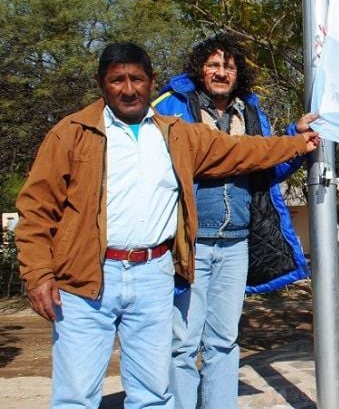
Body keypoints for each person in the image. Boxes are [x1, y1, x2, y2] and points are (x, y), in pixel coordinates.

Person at [14, 42, 319, 408]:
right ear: (101, 83)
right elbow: (36, 208)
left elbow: (243, 151)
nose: (128, 89)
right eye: (117, 80)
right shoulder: (72, 133)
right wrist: (38, 274)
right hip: (86, 279)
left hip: (153, 276)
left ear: (150, 81)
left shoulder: (175, 134)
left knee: (153, 396)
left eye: (136, 79)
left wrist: (296, 142)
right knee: (76, 396)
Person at [152, 33, 316, 409]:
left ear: (237, 72)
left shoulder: (252, 112)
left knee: (224, 341)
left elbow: (268, 166)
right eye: (213, 65)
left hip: (237, 242)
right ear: (199, 69)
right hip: (188, 243)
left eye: (228, 66)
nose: (221, 72)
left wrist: (295, 139)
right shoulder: (171, 106)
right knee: (183, 343)